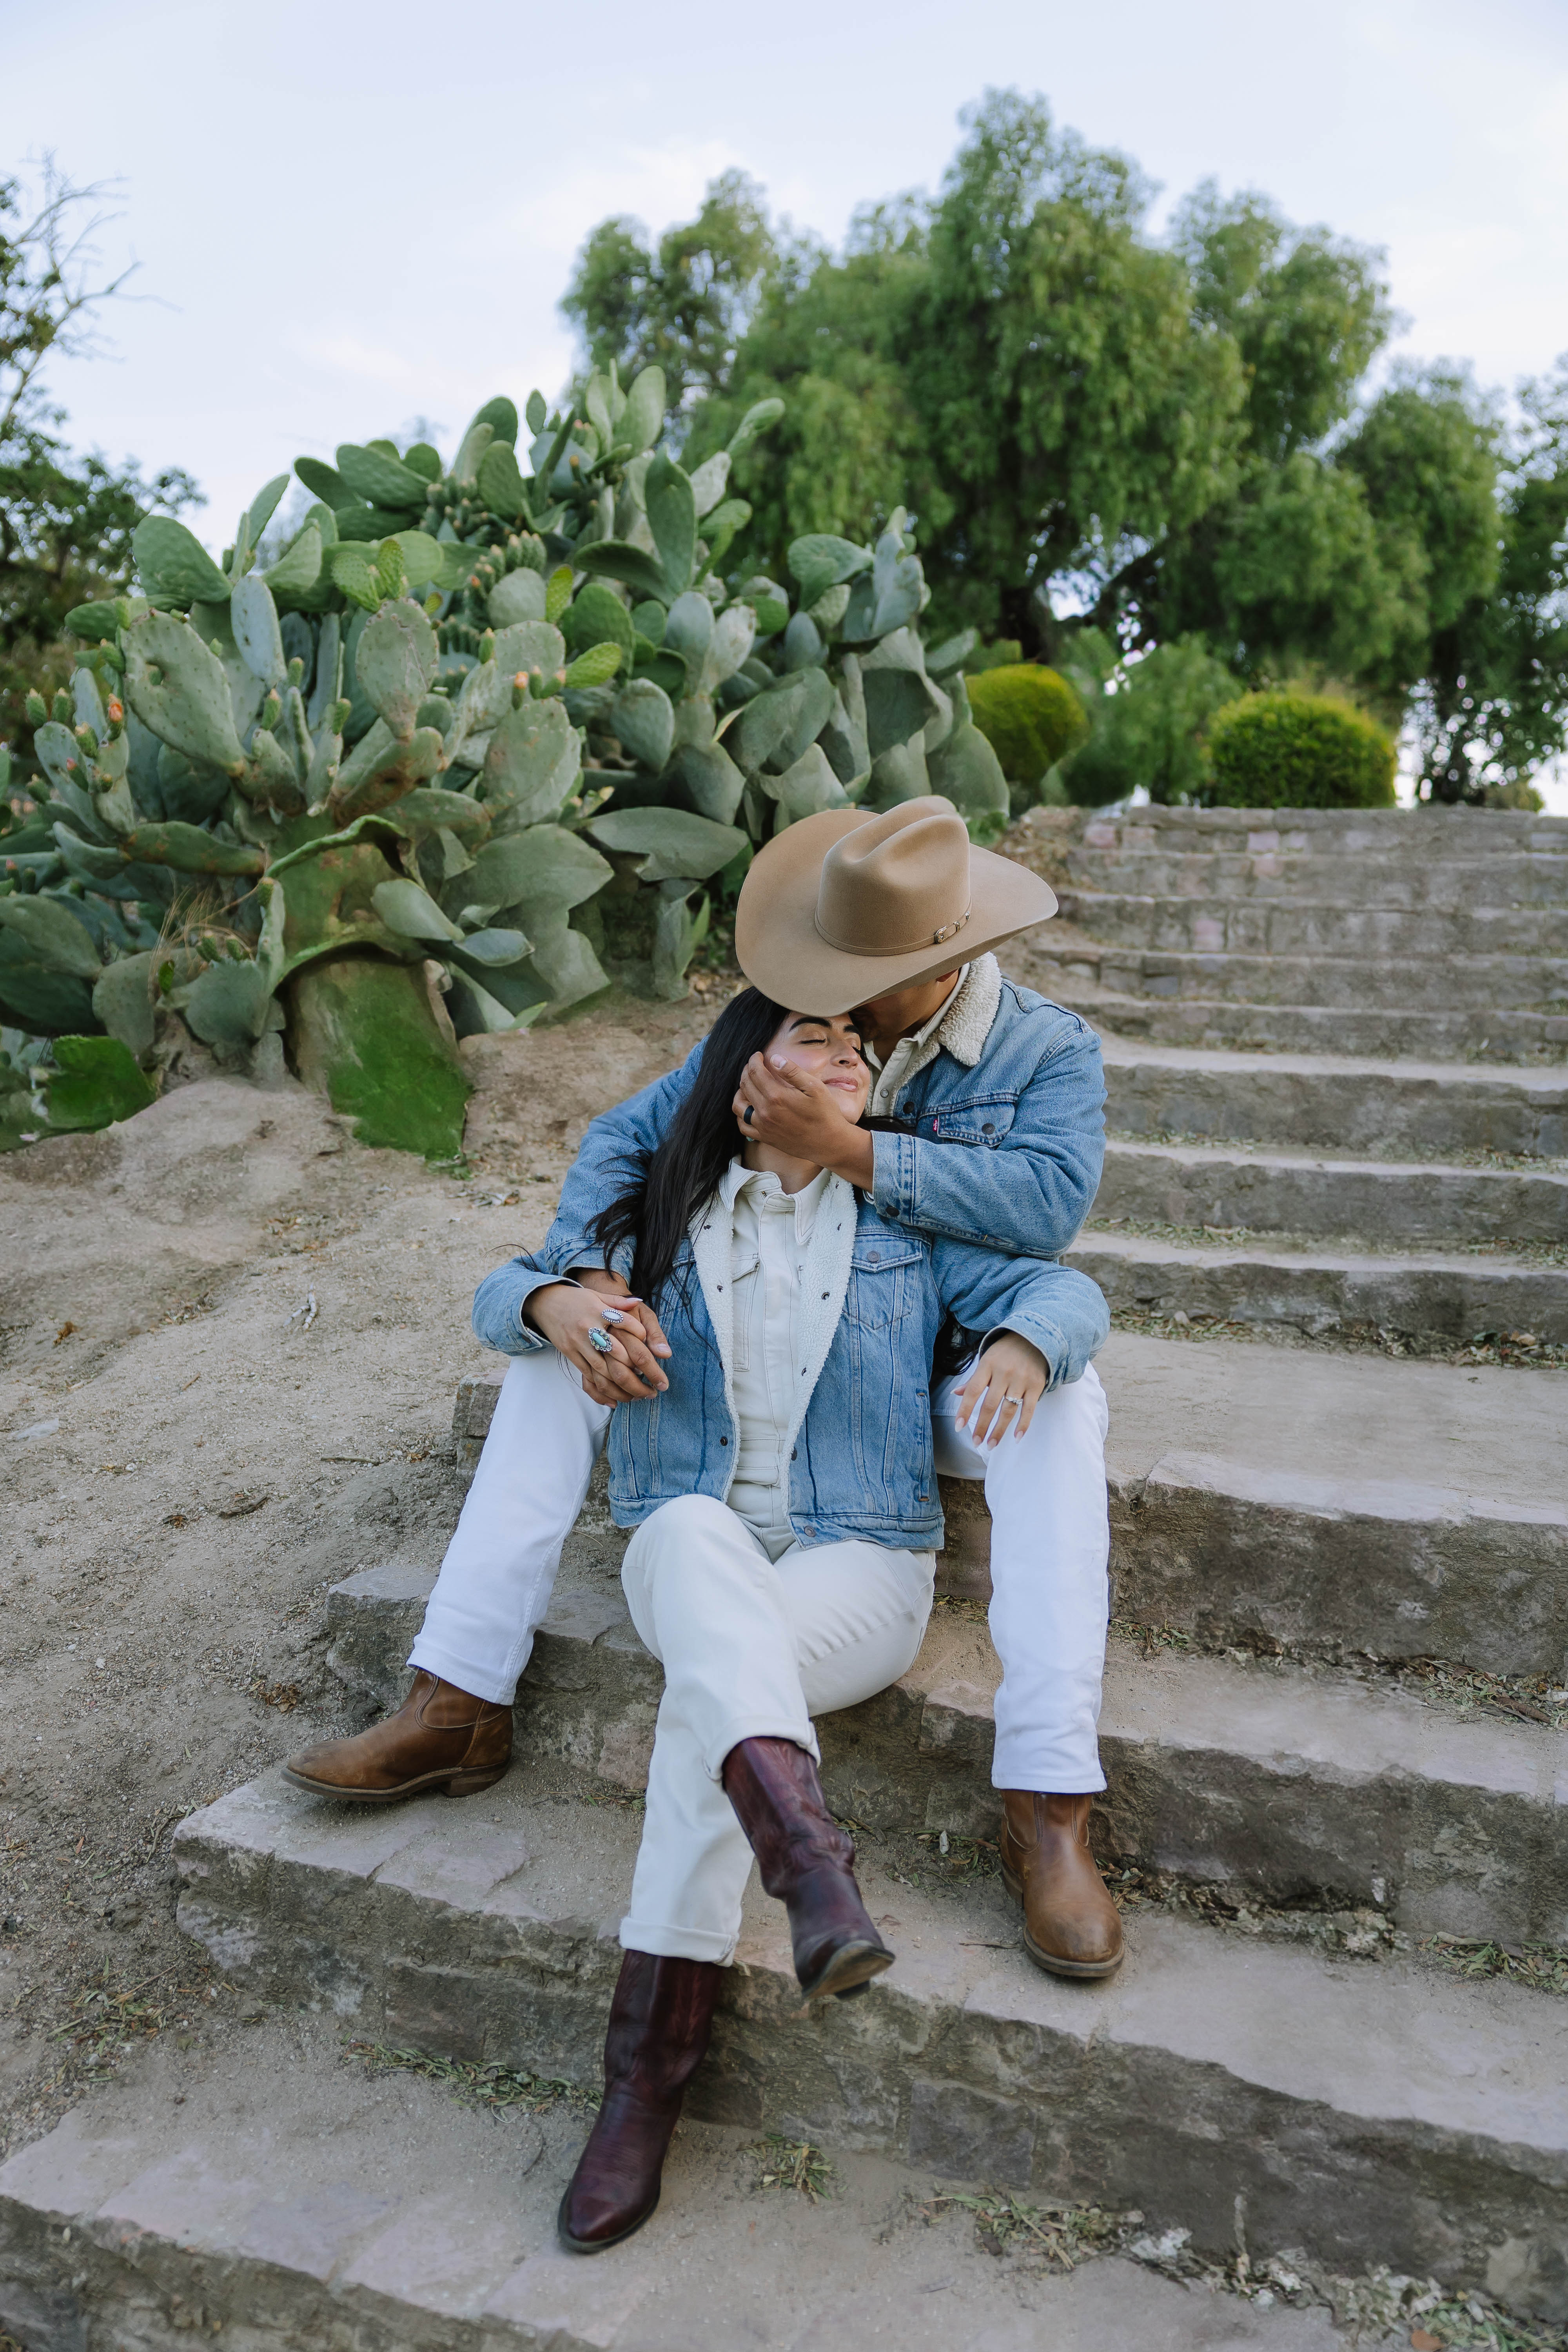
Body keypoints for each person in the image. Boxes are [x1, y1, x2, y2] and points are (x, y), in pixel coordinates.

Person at [286, 797, 1119, 1983]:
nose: (828, 1010)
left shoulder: (1046, 1050)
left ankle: (1046, 1799)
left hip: (947, 1355)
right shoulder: (786, 1023)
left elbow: (1046, 1216)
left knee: (1065, 1407)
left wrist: (847, 1150)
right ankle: (459, 1692)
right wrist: (591, 1282)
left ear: (933, 964)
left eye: (850, 993)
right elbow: (630, 1144)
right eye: (814, 990)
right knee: (561, 1350)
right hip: (770, 1334)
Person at [451, 987, 1108, 2252]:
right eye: (817, 1035)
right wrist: (555, 1306)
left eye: (858, 1046)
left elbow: (1068, 1287)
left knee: (716, 1684)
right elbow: (502, 1288)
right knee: (693, 1537)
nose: (848, 1051)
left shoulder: (903, 1219)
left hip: (856, 1571)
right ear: (747, 1074)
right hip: (697, 1549)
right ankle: (807, 1864)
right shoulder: (660, 1214)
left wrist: (1028, 1338)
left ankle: (646, 2078)